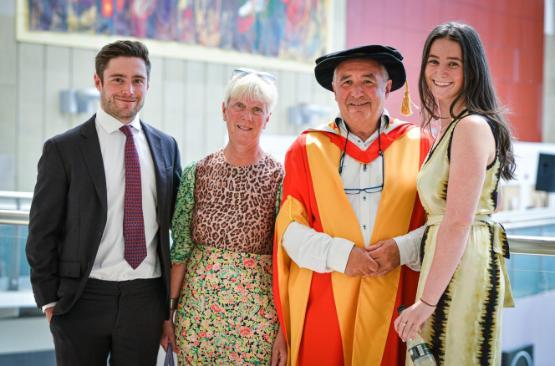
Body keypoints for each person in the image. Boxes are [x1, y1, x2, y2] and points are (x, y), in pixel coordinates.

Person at [25, 40, 182, 365]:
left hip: (145, 297)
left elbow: (177, 227)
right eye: (118, 79)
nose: (129, 90)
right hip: (81, 298)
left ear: (148, 85)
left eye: (138, 80)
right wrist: (49, 302)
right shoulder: (63, 149)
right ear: (98, 81)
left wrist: (169, 308)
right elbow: (42, 231)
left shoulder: (166, 147)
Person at [273, 45, 431, 365]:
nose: (356, 92)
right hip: (326, 301)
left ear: (387, 87)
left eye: (368, 81)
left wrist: (402, 249)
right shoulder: (307, 148)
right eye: (346, 82)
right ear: (334, 90)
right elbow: (289, 231)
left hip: (397, 301)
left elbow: (441, 224)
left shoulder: (421, 145)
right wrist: (343, 256)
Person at [393, 22, 515, 365]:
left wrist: (427, 304)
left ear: (472, 69)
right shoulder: (452, 125)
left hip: (463, 263)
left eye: (453, 63)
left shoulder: (471, 126)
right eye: (433, 61)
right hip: (450, 259)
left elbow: (460, 221)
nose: (440, 71)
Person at [160, 68, 287, 365]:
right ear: (224, 110)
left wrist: (285, 328)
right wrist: (167, 314)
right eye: (239, 106)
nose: (247, 116)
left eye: (258, 110)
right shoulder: (197, 172)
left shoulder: (281, 178)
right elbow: (180, 251)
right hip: (197, 318)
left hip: (257, 323)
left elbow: (286, 261)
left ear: (268, 119)